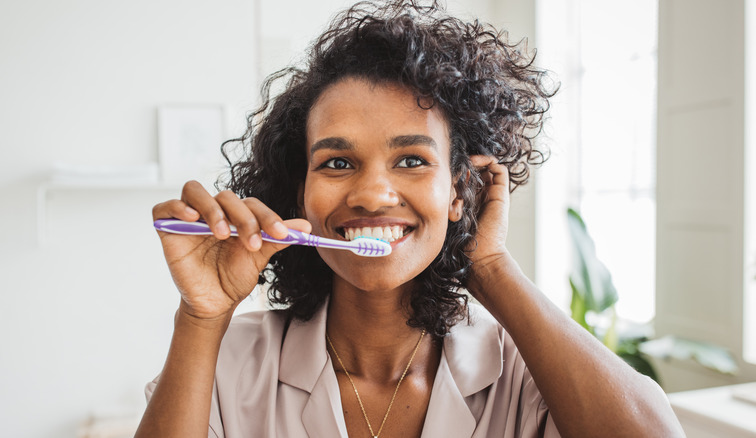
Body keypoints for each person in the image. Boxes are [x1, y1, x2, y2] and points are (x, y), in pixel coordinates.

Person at [135, 1, 684, 437]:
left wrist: (490, 266)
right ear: (299, 196)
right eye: (338, 162)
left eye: (413, 160)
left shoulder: (527, 372)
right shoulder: (230, 361)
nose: (373, 194)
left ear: (458, 192)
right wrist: (201, 318)